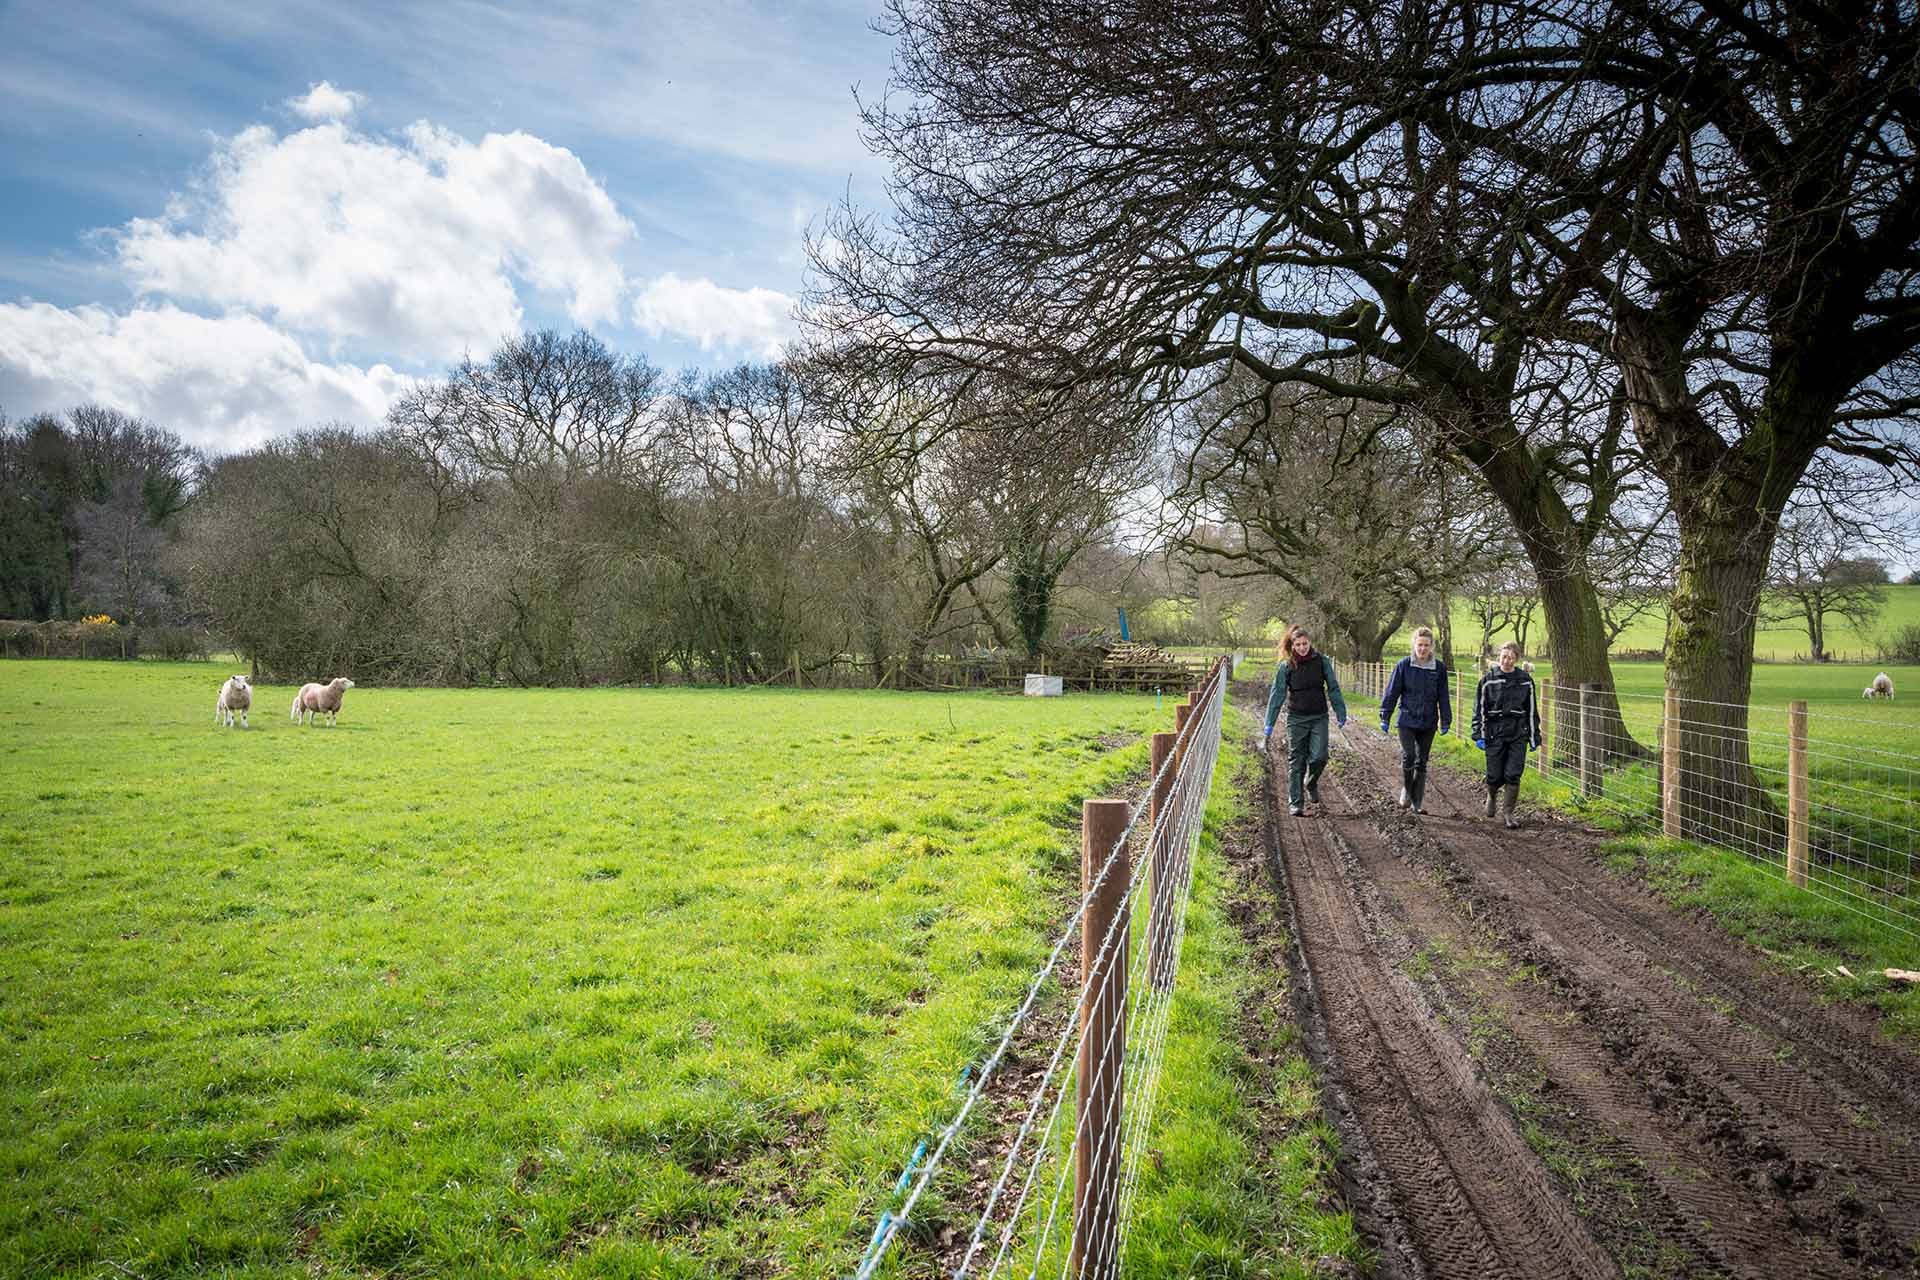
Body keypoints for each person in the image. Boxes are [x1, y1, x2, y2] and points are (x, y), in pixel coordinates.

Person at [1263, 627, 1348, 816]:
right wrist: (1269, 722)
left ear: (1310, 643)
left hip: (1319, 716)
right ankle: (1296, 803)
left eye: (1305, 644)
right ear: (1292, 646)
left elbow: (1333, 687)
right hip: (1296, 718)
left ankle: (1311, 782)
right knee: (1296, 760)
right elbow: (1277, 694)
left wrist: (1340, 711)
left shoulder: (1322, 662)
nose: (1302, 648)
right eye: (1298, 644)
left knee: (1320, 756)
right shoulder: (1286, 666)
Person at [1378, 626, 1452, 814]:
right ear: (1414, 645)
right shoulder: (1404, 665)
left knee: (1422, 761)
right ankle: (1407, 789)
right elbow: (1392, 691)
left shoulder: (1439, 668)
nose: (1422, 649)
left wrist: (1446, 720)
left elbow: (1443, 696)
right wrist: (1385, 715)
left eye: (1426, 645)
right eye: (1419, 645)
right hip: (1407, 720)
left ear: (1432, 647)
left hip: (1428, 721)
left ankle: (1417, 801)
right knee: (1409, 755)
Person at [1472, 641, 1542, 828]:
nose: (1507, 660)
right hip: (1494, 733)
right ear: (1499, 658)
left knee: (1513, 774)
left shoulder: (1525, 681)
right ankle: (1492, 795)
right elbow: (1478, 709)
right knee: (1495, 775)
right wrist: (1478, 734)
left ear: (1516, 659)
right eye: (1504, 656)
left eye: (1511, 657)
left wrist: (1534, 737)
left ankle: (1509, 814)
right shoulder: (1488, 680)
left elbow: (1532, 710)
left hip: (1518, 733)